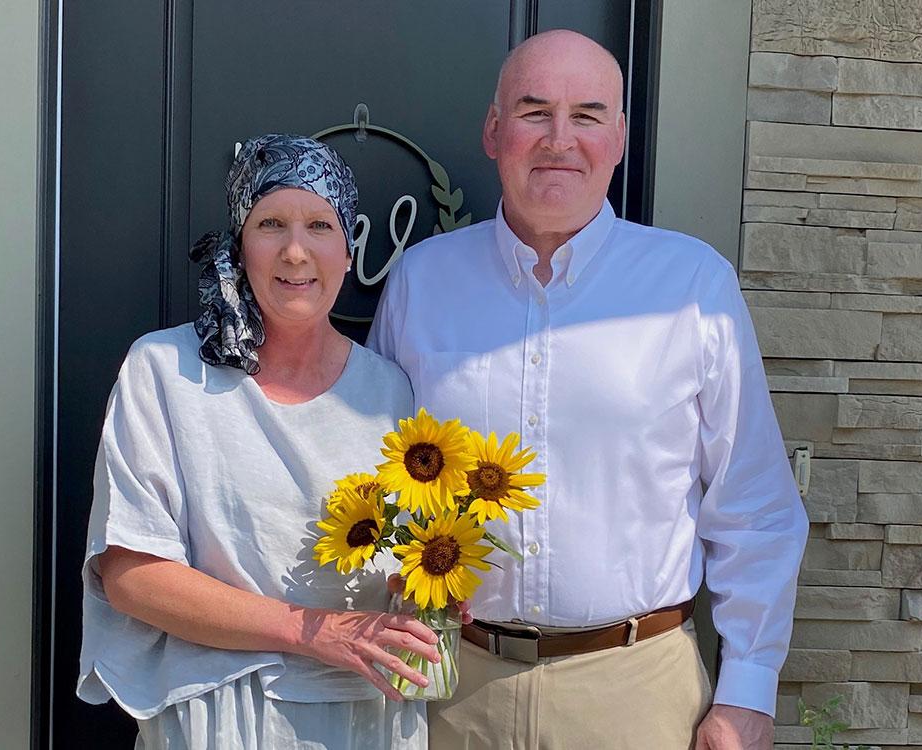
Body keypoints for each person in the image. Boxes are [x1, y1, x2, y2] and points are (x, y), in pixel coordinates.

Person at [368, 30, 809, 749]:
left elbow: (754, 507)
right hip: (453, 691)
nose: (559, 140)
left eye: (588, 115)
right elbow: (378, 474)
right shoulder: (422, 281)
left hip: (638, 691)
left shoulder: (693, 287)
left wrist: (748, 693)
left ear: (620, 137)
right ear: (493, 130)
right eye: (534, 111)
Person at [77, 134, 439, 750]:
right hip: (214, 717)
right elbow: (131, 575)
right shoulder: (166, 372)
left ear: (348, 250)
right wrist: (313, 630)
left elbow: (415, 568)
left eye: (320, 225)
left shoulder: (392, 395)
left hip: (363, 716)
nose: (296, 251)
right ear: (240, 247)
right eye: (271, 223)